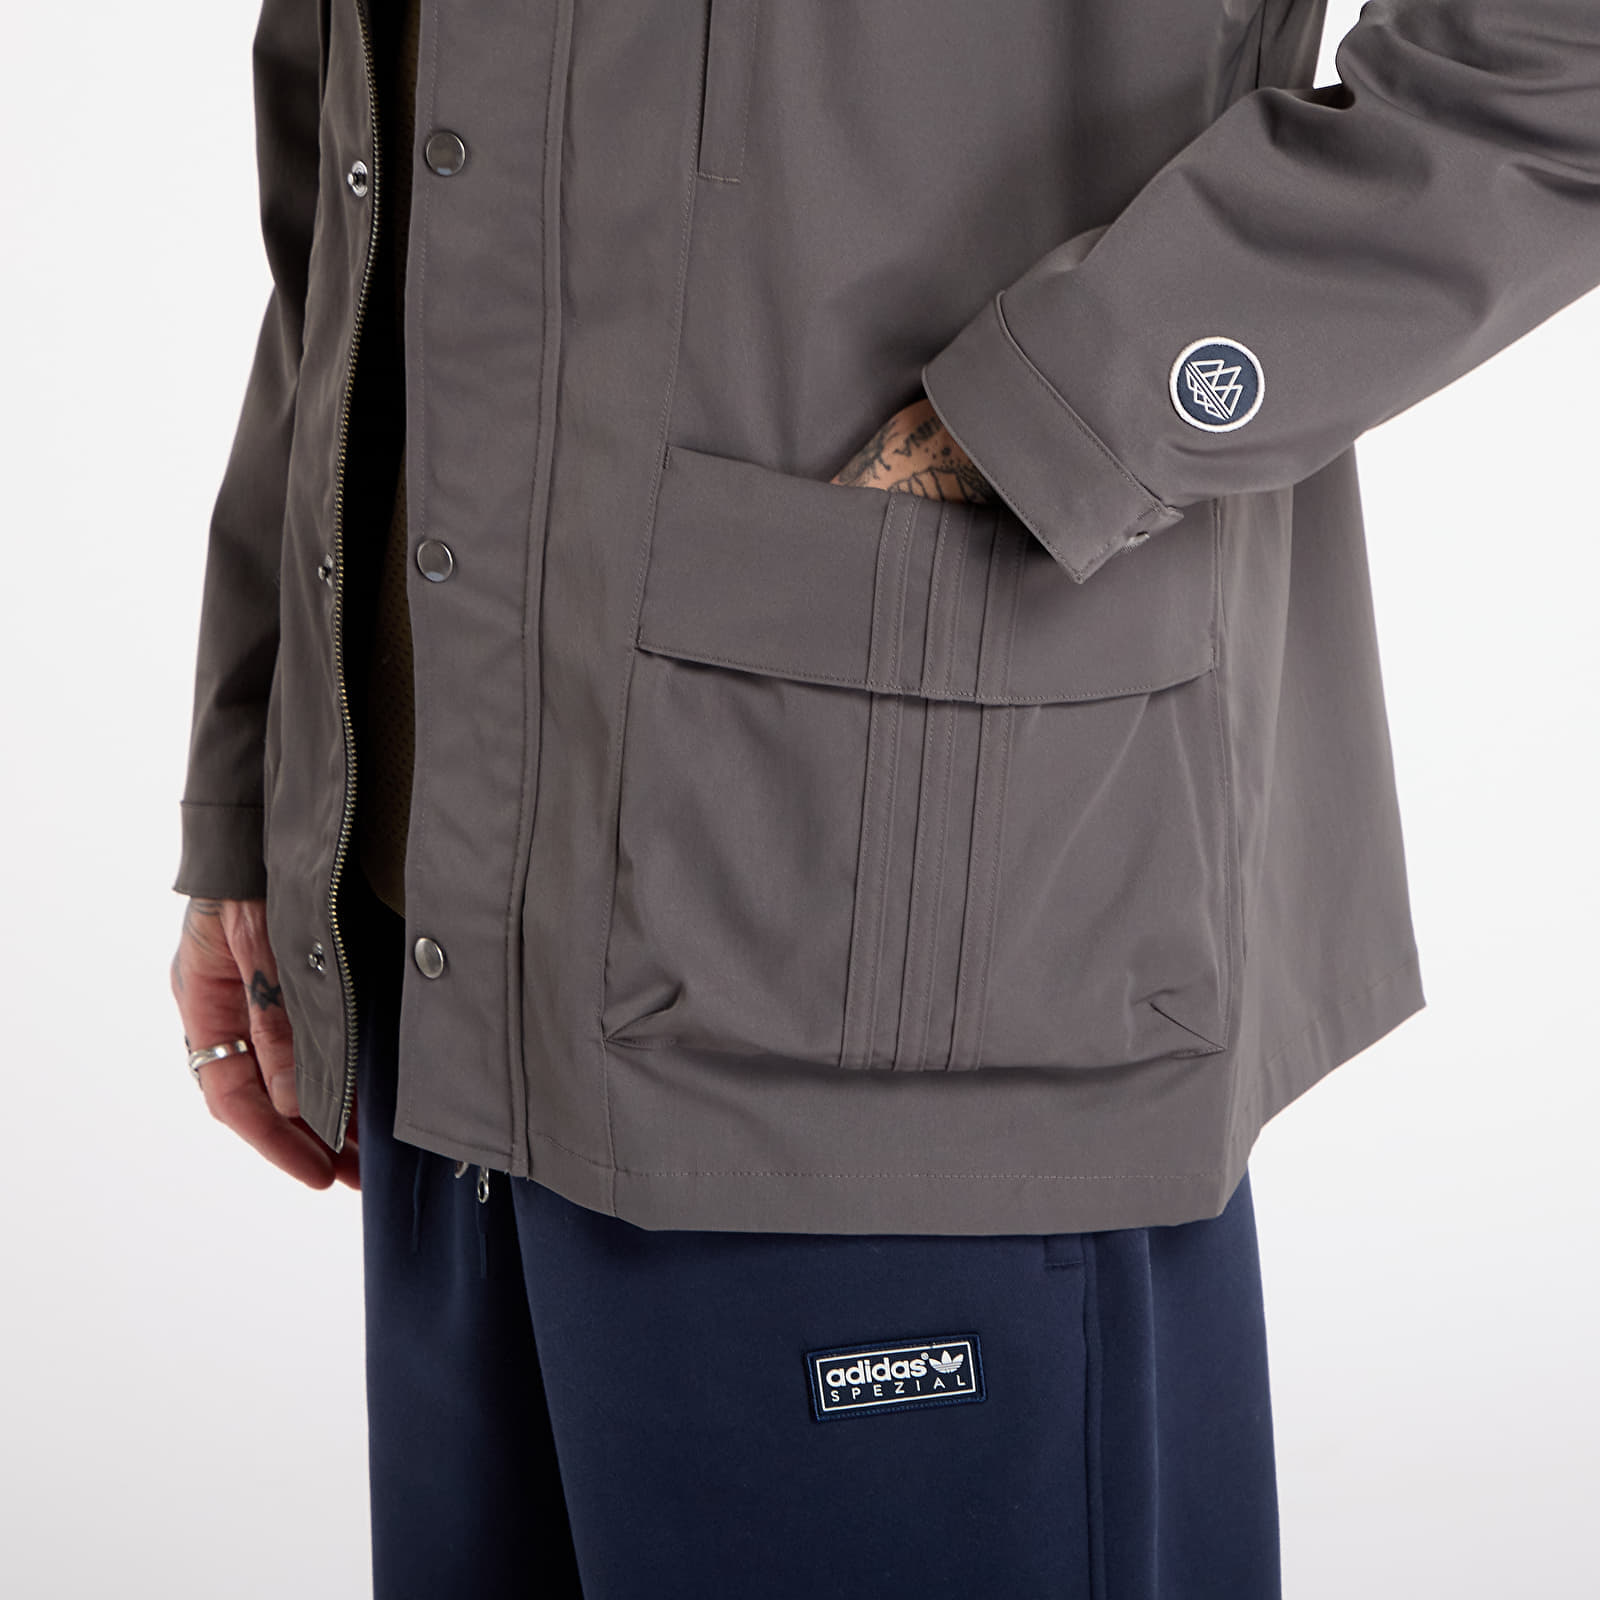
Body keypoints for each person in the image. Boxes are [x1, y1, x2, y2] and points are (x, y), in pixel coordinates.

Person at [168, 2, 1600, 1593]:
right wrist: (263, 774)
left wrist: (1080, 402)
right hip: (442, 963)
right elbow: (356, 136)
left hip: (912, 941)